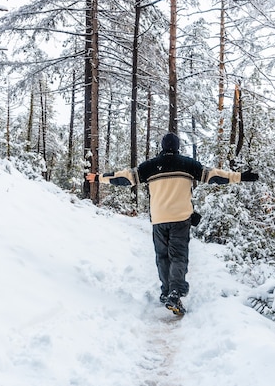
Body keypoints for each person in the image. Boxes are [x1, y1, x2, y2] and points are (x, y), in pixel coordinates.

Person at [86, 132, 258, 315]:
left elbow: (124, 178)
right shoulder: (187, 164)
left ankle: (166, 291)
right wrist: (241, 177)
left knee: (162, 257)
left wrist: (98, 177)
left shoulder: (150, 166)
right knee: (178, 256)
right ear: (177, 147)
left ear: (162, 147)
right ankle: (175, 293)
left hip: (159, 219)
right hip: (180, 219)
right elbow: (215, 176)